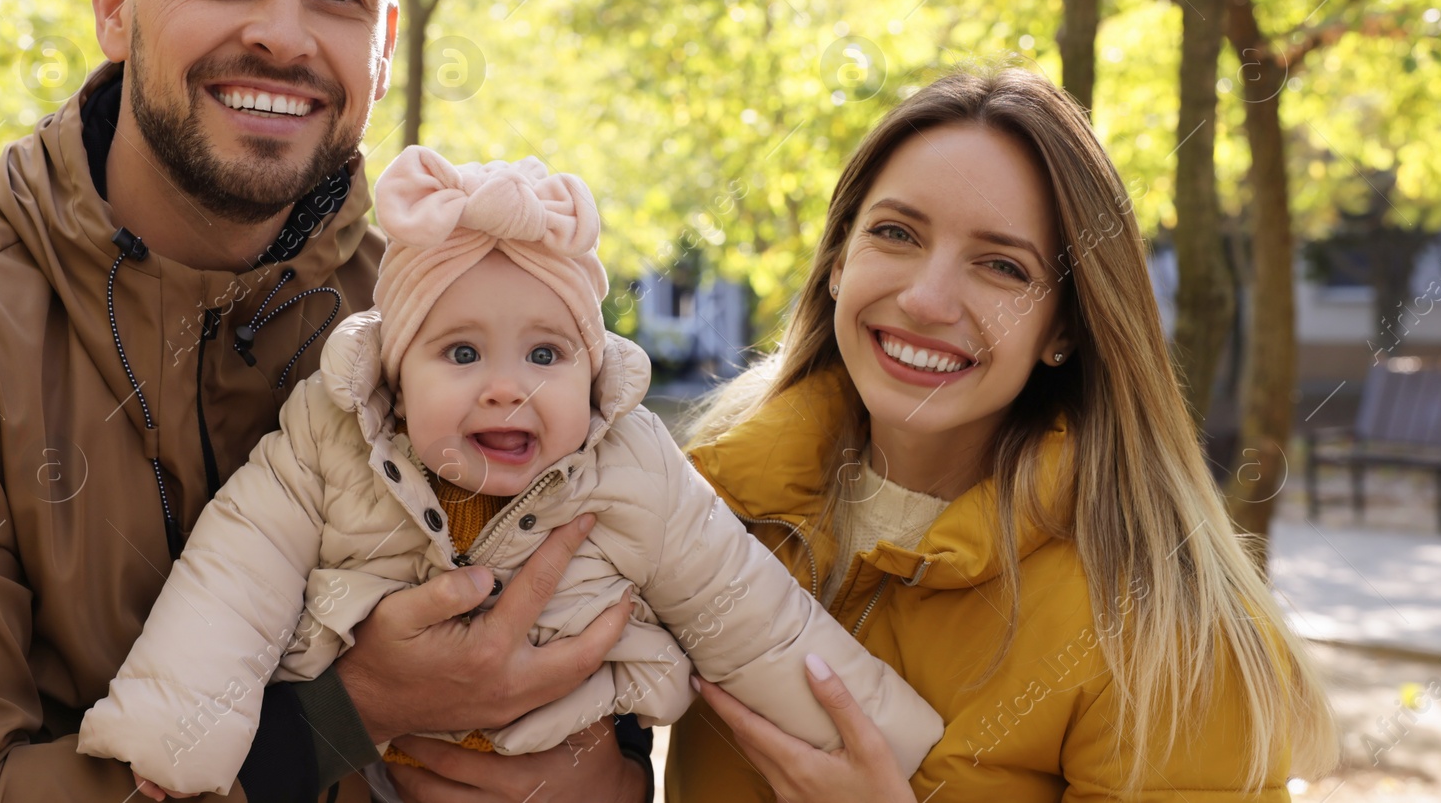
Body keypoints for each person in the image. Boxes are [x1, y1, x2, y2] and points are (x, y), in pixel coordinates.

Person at [0, 0, 651, 802]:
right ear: (115, 5)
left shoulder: (450, 308)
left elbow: (619, 615)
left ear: (384, 41)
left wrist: (611, 770)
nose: (282, 35)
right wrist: (342, 718)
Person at [75, 146, 941, 800]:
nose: (507, 388)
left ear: (590, 367)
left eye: (545, 352)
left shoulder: (631, 465)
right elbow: (236, 575)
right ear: (396, 378)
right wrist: (173, 738)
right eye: (460, 351)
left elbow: (752, 612)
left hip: (564, 762)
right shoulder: (330, 443)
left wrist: (877, 735)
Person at [665, 67, 1339, 802]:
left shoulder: (1161, 626)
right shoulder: (707, 511)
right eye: (895, 232)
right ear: (835, 261)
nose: (925, 299)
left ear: (1065, 328)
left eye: (1001, 266)